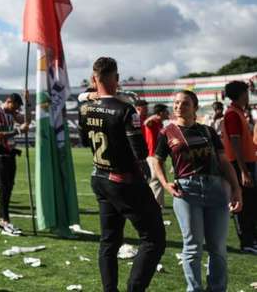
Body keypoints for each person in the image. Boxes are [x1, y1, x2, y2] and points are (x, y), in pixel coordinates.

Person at [79, 57, 166, 292]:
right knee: (154, 239)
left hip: (99, 176)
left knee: (109, 240)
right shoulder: (124, 109)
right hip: (123, 180)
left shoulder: (85, 106)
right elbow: (140, 150)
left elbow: (83, 137)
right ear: (116, 78)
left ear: (93, 79)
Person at [150, 90, 243, 292]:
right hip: (187, 191)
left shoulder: (208, 131)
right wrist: (165, 184)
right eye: (176, 103)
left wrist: (236, 189)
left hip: (216, 190)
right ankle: (194, 289)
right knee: (192, 247)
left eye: (184, 104)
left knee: (217, 248)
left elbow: (224, 162)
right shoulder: (167, 132)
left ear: (195, 108)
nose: (178, 107)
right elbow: (157, 160)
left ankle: (217, 289)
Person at [221, 80, 257, 253]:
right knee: (243, 204)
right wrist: (244, 171)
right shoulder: (232, 114)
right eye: (246, 93)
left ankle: (252, 240)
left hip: (245, 164)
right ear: (242, 94)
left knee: (251, 204)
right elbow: (235, 144)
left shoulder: (238, 112)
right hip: (239, 165)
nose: (248, 96)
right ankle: (247, 243)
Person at [0, 93, 27, 235]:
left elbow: (26, 120)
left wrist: (28, 103)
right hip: (0, 155)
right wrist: (18, 130)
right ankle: (5, 221)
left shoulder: (11, 113)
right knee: (4, 189)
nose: (16, 110)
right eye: (15, 107)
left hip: (10, 154)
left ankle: (2, 220)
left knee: (9, 188)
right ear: (9, 102)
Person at [143, 103, 170, 207]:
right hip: (153, 155)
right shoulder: (153, 122)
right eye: (166, 111)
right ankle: (155, 204)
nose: (168, 113)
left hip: (157, 155)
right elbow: (146, 123)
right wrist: (153, 116)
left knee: (158, 179)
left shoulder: (160, 123)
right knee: (156, 179)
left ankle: (158, 203)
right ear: (161, 113)